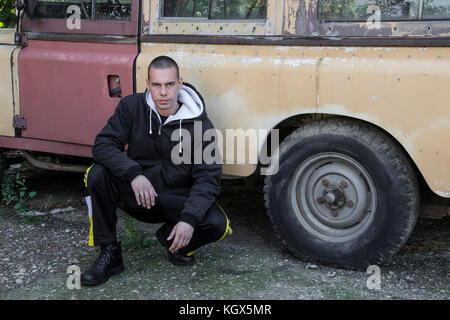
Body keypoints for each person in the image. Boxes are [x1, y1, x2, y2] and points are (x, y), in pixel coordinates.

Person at [80, 56, 232, 286]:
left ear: (180, 83)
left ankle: (175, 242)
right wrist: (133, 174)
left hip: (175, 199)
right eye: (157, 85)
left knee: (218, 224)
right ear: (148, 85)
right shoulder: (131, 107)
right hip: (140, 193)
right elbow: (103, 145)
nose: (163, 92)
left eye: (169, 84)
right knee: (96, 173)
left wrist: (189, 220)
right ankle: (109, 253)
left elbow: (208, 177)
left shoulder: (201, 125)